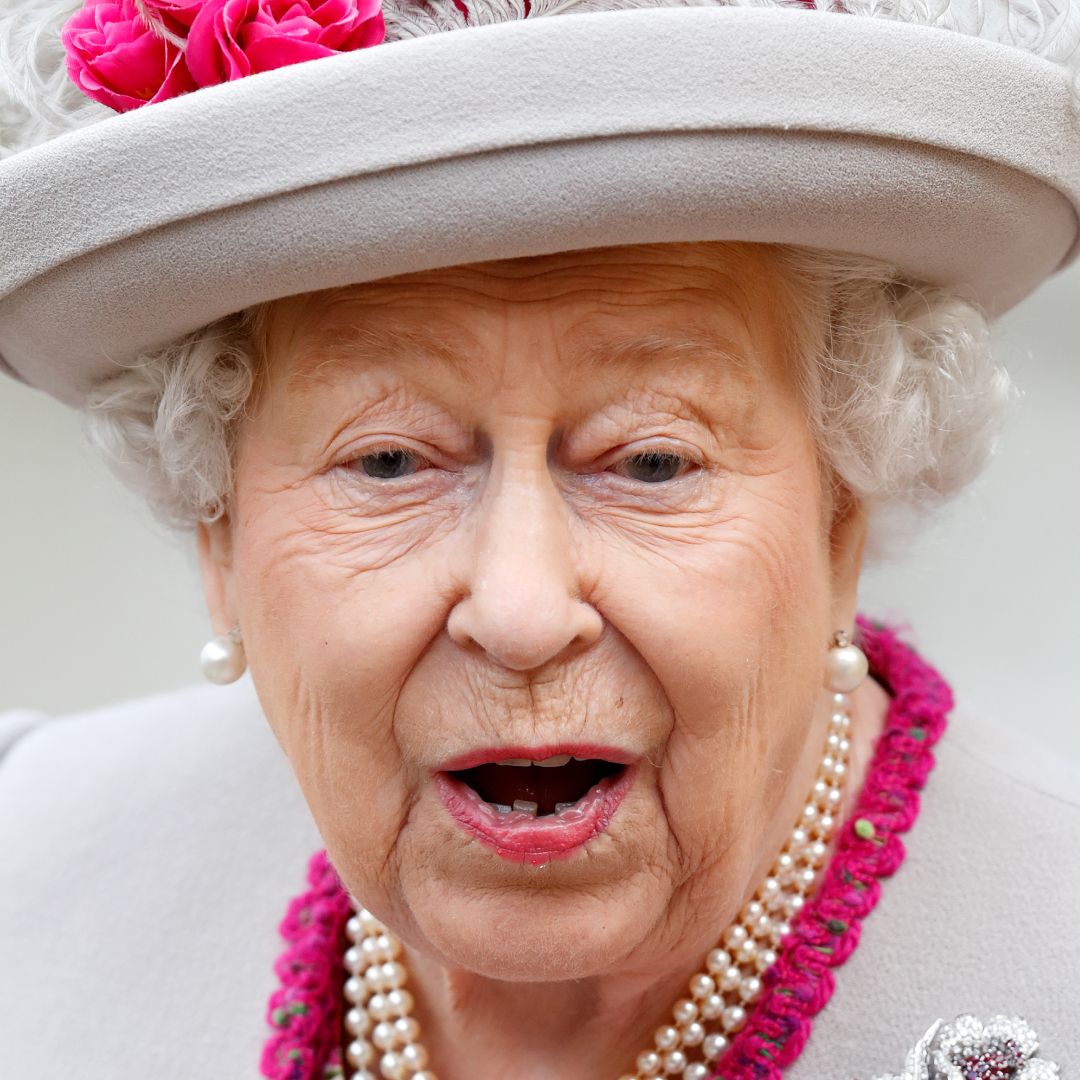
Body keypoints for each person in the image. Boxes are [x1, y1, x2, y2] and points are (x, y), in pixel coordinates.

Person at [0, 0, 1078, 1078]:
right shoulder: (27, 867)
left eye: (653, 461)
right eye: (388, 462)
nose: (520, 613)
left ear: (838, 517)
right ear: (219, 538)